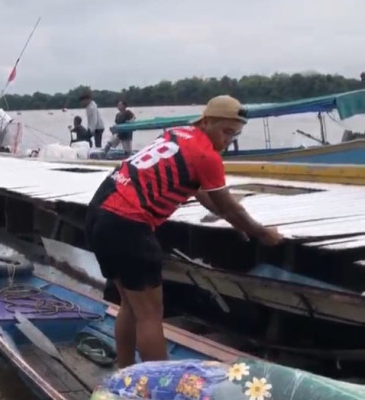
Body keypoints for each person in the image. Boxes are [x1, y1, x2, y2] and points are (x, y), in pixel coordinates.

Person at [85, 95, 283, 370]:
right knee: (150, 315)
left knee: (130, 306)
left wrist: (238, 224)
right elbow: (227, 205)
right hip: (128, 225)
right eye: (226, 132)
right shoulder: (206, 155)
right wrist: (262, 233)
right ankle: (160, 386)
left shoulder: (176, 134)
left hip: (99, 213)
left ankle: (125, 375)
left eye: (234, 135)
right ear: (207, 121)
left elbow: (201, 191)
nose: (227, 141)